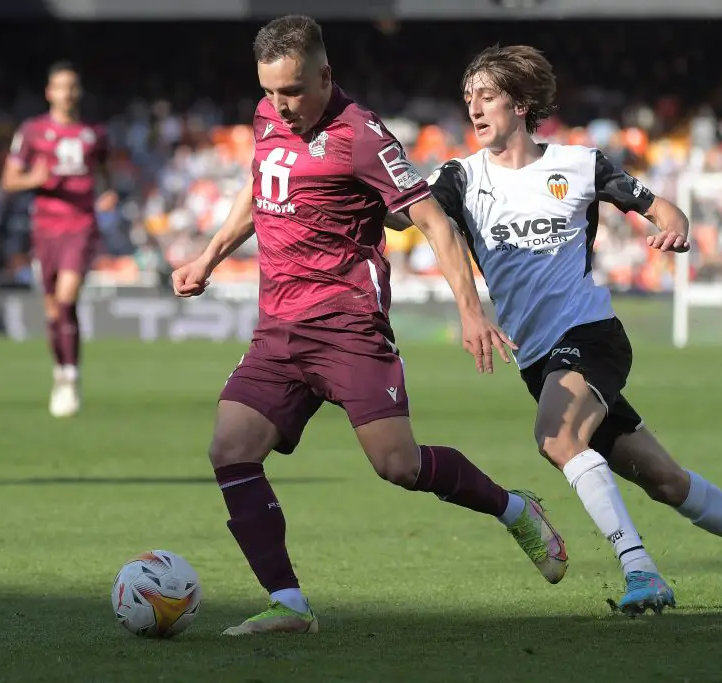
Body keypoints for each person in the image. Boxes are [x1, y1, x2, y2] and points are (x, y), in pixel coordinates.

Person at [387, 44, 722, 617]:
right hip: (539, 361)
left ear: (521, 104)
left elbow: (661, 209)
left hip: (591, 335)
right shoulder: (458, 178)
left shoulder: (579, 164)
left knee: (556, 438)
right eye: (468, 98)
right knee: (667, 483)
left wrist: (673, 226)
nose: (474, 108)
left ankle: (641, 571)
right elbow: (403, 215)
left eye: (488, 96)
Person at [170, 16, 569, 636]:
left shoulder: (362, 137)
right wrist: (207, 256)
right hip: (278, 330)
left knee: (397, 466)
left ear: (325, 75)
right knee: (231, 450)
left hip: (347, 326)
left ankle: (514, 508)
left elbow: (433, 223)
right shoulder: (266, 117)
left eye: (294, 91)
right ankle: (289, 605)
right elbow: (260, 189)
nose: (282, 104)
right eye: (271, 91)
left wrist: (470, 311)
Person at [1, 61, 115, 418]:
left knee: (66, 300)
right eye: (61, 87)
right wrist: (32, 178)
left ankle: (70, 376)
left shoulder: (93, 134)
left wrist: (108, 192)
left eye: (73, 86)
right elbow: (8, 180)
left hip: (80, 226)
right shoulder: (32, 131)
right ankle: (60, 371)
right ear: (50, 92)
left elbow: (105, 174)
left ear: (78, 92)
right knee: (53, 310)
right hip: (44, 229)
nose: (68, 93)